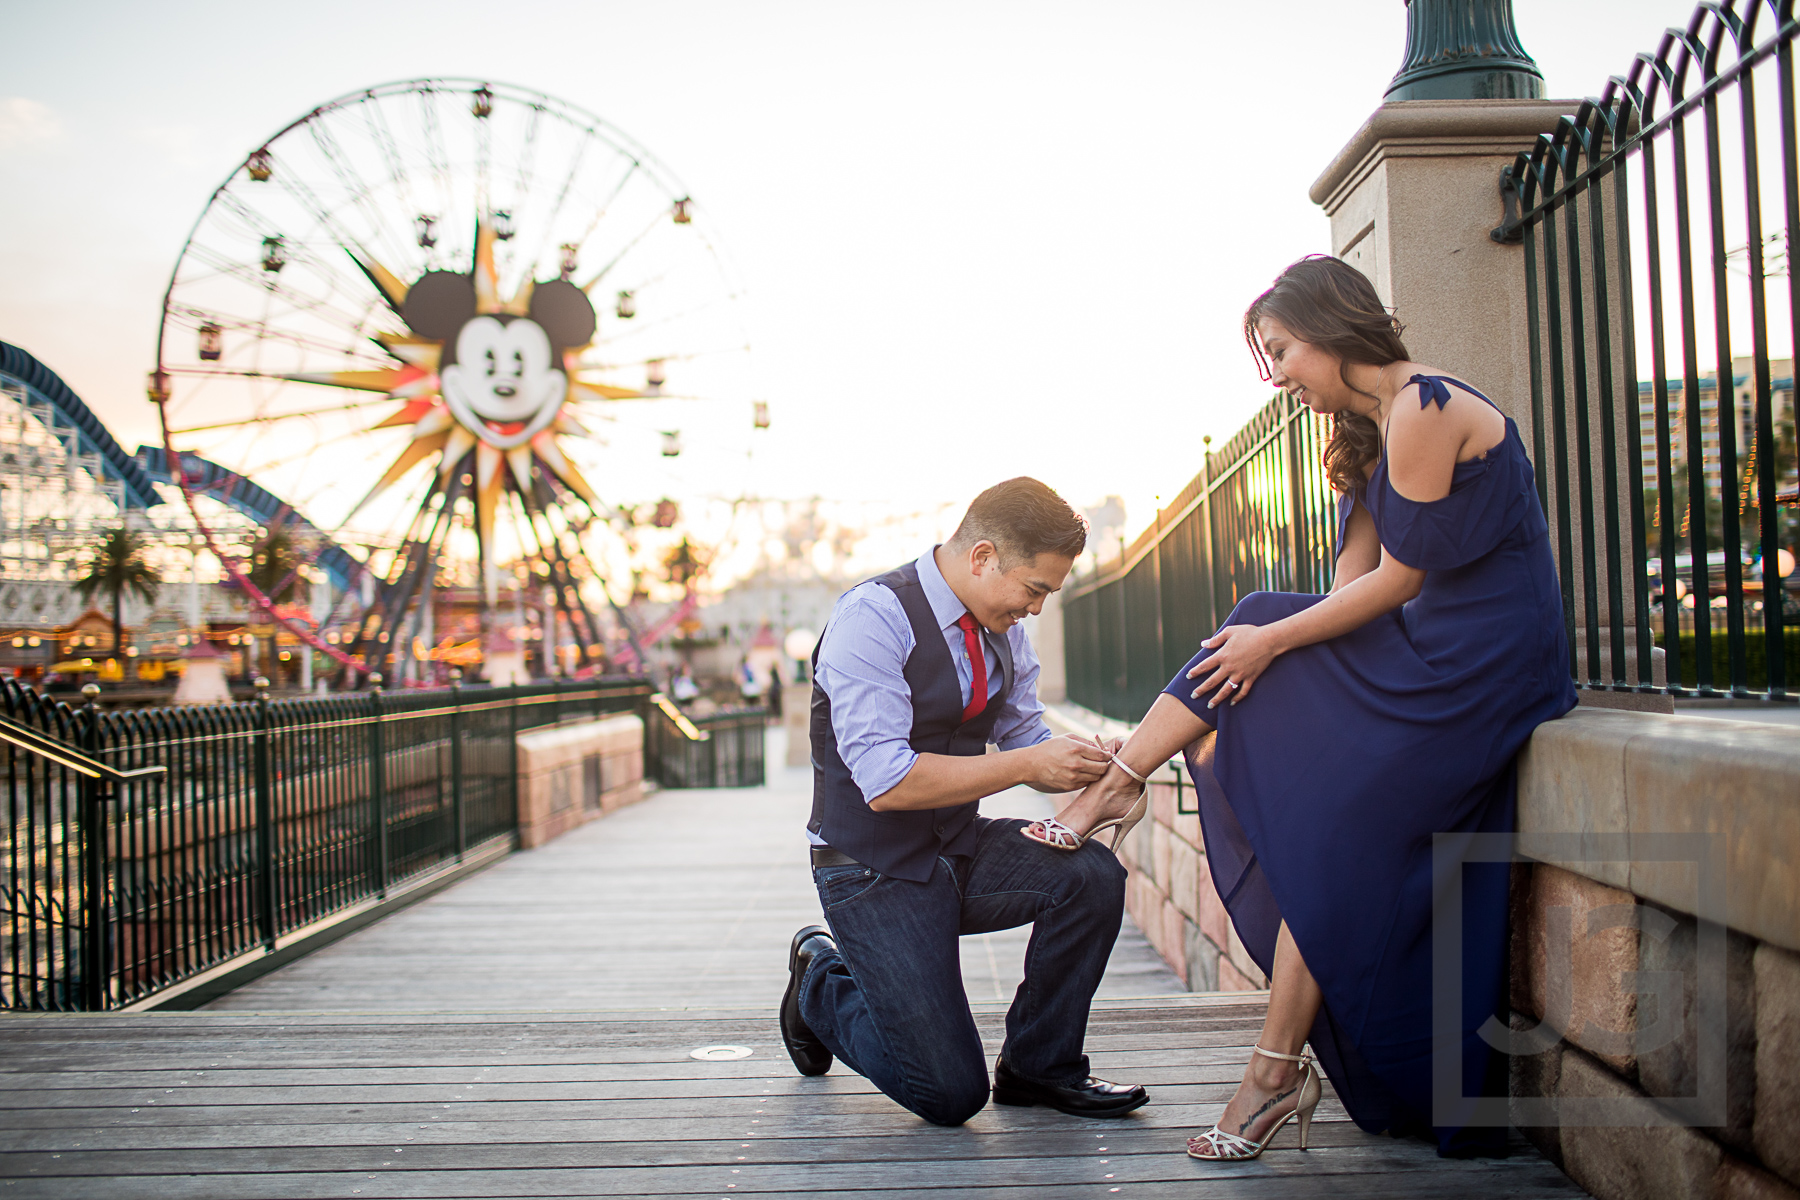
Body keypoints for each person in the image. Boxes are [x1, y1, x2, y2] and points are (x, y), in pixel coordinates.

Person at [1025, 255, 1577, 1159]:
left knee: (1261, 631)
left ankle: (1121, 787)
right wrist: (1276, 651)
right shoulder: (1372, 430)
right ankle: (1271, 1074)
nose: (1276, 377)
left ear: (1329, 330)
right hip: (1426, 659)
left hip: (1487, 668)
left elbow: (1401, 582)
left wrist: (1272, 644)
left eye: (1280, 352)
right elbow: (1348, 585)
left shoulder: (1427, 406)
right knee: (1320, 812)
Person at [779, 477, 1149, 1126]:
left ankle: (1040, 1068)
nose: (1036, 608)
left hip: (956, 847)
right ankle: (819, 980)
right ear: (982, 558)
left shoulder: (1001, 625)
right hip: (870, 868)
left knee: (1091, 875)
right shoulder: (873, 617)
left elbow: (1027, 739)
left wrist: (1094, 761)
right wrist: (1030, 762)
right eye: (1034, 589)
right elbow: (886, 782)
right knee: (948, 1095)